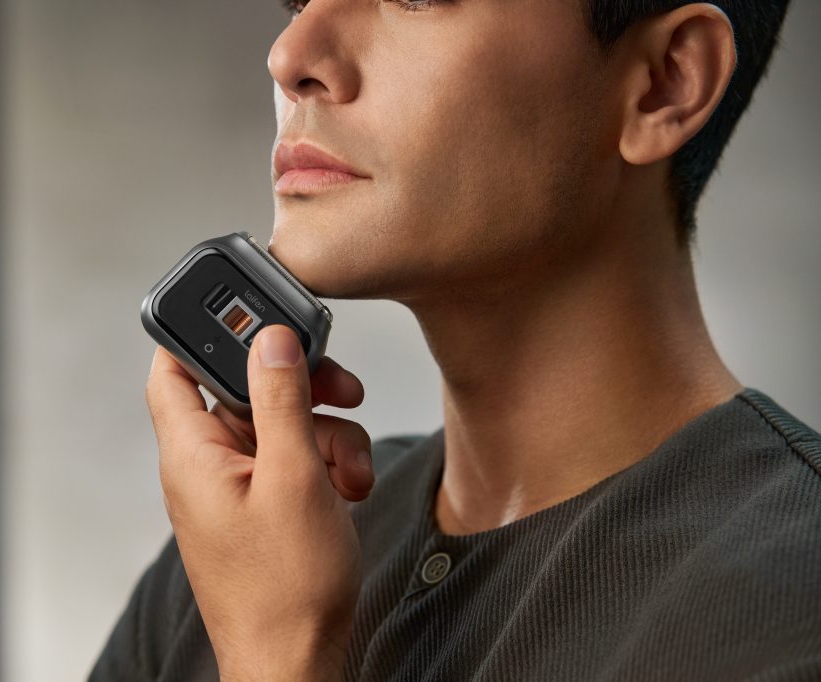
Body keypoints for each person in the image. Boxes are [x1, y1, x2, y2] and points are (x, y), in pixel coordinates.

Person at [91, 0, 820, 679]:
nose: (290, 54)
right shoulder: (239, 559)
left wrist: (277, 657)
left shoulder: (793, 609)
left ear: (667, 83)